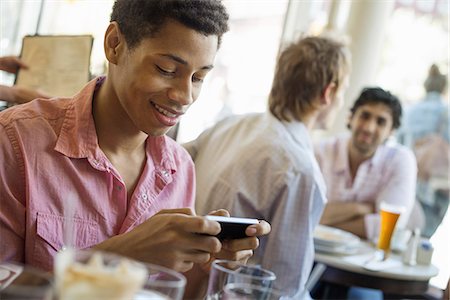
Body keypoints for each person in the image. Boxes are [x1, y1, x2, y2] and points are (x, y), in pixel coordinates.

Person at [0, 1, 270, 297]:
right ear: (114, 44)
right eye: (166, 69)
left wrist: (206, 268)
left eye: (198, 78)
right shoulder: (15, 141)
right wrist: (121, 255)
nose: (185, 96)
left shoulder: (179, 169)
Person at [184, 35, 351, 297]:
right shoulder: (300, 170)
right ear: (328, 93)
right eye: (342, 93)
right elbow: (284, 287)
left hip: (182, 281)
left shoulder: (231, 125)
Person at [315, 87, 417, 239]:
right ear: (350, 117)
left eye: (380, 122)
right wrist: (361, 208)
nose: (369, 128)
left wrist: (322, 222)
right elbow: (306, 213)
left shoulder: (401, 160)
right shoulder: (321, 151)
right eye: (365, 116)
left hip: (366, 259)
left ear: (391, 131)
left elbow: (390, 226)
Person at [398, 64, 449, 237]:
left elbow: (400, 146)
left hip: (408, 181)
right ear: (443, 87)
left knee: (402, 231)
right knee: (422, 237)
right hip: (436, 188)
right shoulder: (446, 113)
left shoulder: (410, 111)